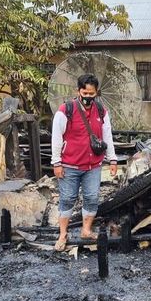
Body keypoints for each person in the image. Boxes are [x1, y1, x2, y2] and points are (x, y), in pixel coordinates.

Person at [51, 73, 117, 251]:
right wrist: (56, 163)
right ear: (78, 91)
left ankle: (86, 230)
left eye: (91, 94)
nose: (88, 97)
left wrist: (112, 159)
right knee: (67, 199)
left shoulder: (102, 111)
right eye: (85, 93)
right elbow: (56, 137)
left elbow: (107, 137)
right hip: (69, 165)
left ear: (97, 93)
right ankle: (63, 234)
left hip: (92, 166)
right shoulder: (66, 110)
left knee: (91, 198)